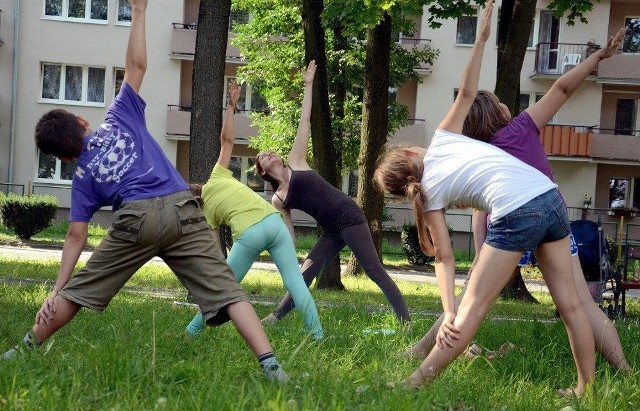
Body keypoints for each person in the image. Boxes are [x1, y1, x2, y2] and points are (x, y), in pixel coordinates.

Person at [1, 0, 287, 383]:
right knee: (228, 289)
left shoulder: (83, 175)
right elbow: (136, 66)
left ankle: (23, 350)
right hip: (183, 208)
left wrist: (57, 289)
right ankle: (271, 366)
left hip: (136, 220)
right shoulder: (119, 115)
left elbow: (76, 235)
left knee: (79, 291)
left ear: (65, 158)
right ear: (84, 121)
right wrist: (138, 11)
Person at [374, 0, 596, 395]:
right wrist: (480, 37)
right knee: (573, 305)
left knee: (471, 309)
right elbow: (469, 91)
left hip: (517, 209)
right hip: (549, 197)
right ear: (411, 154)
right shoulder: (442, 140)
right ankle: (586, 389)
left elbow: (444, 258)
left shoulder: (433, 198)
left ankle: (413, 383)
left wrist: (448, 310)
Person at [405, 27, 631, 375]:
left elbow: (482, 209)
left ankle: (421, 356)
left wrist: (481, 251)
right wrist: (596, 58)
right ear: (494, 113)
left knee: (470, 302)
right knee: (580, 304)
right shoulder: (522, 127)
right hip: (550, 213)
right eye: (496, 101)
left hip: (511, 222)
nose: (503, 102)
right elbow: (562, 88)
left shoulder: (477, 155)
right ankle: (621, 372)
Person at [254, 60, 411, 326]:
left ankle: (405, 322)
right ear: (261, 170)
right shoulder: (278, 199)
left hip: (349, 217)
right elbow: (288, 232)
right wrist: (288, 256)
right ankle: (275, 317)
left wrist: (308, 85)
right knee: (304, 273)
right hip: (331, 230)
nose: (269, 153)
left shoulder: (296, 160)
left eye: (269, 151)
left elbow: (305, 119)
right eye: (262, 156)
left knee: (373, 271)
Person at [184, 81, 323, 340]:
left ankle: (192, 330)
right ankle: (316, 334)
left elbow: (226, 140)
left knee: (224, 288)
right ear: (194, 196)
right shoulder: (214, 186)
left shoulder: (216, 179)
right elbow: (227, 142)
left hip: (255, 230)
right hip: (273, 224)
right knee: (294, 281)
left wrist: (232, 106)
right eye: (187, 188)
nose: (190, 184)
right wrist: (231, 105)